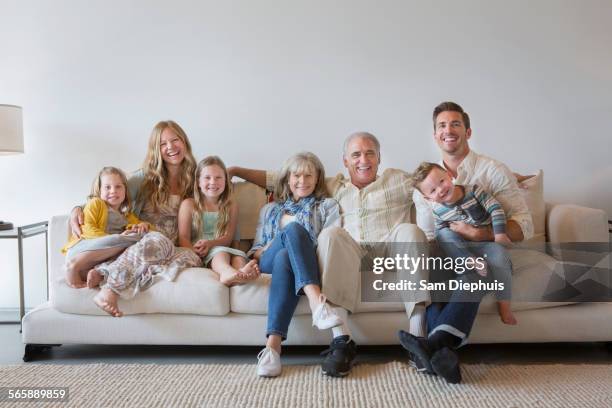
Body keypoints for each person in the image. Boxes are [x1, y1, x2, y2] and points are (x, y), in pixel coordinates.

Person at [229, 133, 429, 377]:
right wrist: (235, 170)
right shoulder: (286, 203)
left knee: (289, 254)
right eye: (356, 154)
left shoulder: (387, 184)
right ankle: (328, 319)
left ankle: (418, 339)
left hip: (370, 250)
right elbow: (276, 178)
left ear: (379, 157)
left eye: (369, 154)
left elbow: (433, 183)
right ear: (345, 161)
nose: (363, 160)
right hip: (303, 256)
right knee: (303, 236)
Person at [400, 101, 533, 384]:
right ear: (435, 135)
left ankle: (432, 347)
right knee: (436, 272)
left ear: (468, 132)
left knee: (476, 270)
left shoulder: (493, 172)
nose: (449, 130)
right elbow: (431, 236)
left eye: (456, 124)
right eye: (442, 126)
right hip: (448, 252)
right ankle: (441, 352)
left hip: (485, 251)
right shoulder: (424, 186)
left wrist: (480, 234)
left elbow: (525, 224)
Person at [70, 120, 202, 317]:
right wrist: (77, 209)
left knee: (192, 257)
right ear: (155, 150)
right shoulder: (143, 179)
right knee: (158, 239)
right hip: (144, 241)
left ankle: (106, 271)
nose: (171, 147)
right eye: (163, 144)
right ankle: (110, 290)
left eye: (175, 140)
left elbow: (218, 195)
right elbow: (106, 196)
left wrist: (231, 172)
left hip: (173, 248)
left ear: (185, 142)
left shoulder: (196, 178)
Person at [250, 152, 344, 377]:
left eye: (308, 175)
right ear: (287, 179)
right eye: (297, 175)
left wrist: (291, 248)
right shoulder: (270, 209)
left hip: (303, 261)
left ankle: (273, 348)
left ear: (318, 178)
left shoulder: (327, 206)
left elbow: (329, 244)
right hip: (268, 260)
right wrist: (271, 245)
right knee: (290, 234)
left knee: (286, 257)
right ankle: (316, 302)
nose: (302, 181)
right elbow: (257, 249)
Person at [411, 161, 517, 325]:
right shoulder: (438, 210)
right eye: (433, 190)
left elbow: (495, 208)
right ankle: (468, 261)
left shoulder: (473, 191)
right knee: (444, 235)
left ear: (449, 175)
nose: (441, 189)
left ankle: (504, 305)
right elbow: (441, 232)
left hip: (486, 244)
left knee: (501, 257)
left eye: (442, 181)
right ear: (427, 198)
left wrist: (500, 234)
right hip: (462, 247)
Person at [62, 166, 150, 289]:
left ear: (125, 190)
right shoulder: (96, 204)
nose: (113, 191)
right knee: (131, 240)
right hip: (83, 250)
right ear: (99, 190)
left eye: (118, 187)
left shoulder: (127, 216)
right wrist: (116, 238)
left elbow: (146, 230)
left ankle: (96, 275)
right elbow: (87, 231)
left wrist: (143, 225)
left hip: (97, 261)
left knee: (139, 240)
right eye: (107, 187)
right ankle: (72, 267)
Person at [177, 155, 259, 286]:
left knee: (238, 257)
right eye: (207, 177)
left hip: (222, 248)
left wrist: (211, 243)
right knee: (220, 254)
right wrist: (195, 251)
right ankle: (227, 273)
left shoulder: (231, 205)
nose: (213, 182)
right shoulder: (189, 204)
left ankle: (241, 275)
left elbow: (228, 237)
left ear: (226, 181)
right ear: (198, 182)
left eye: (218, 177)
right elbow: (183, 237)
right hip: (201, 252)